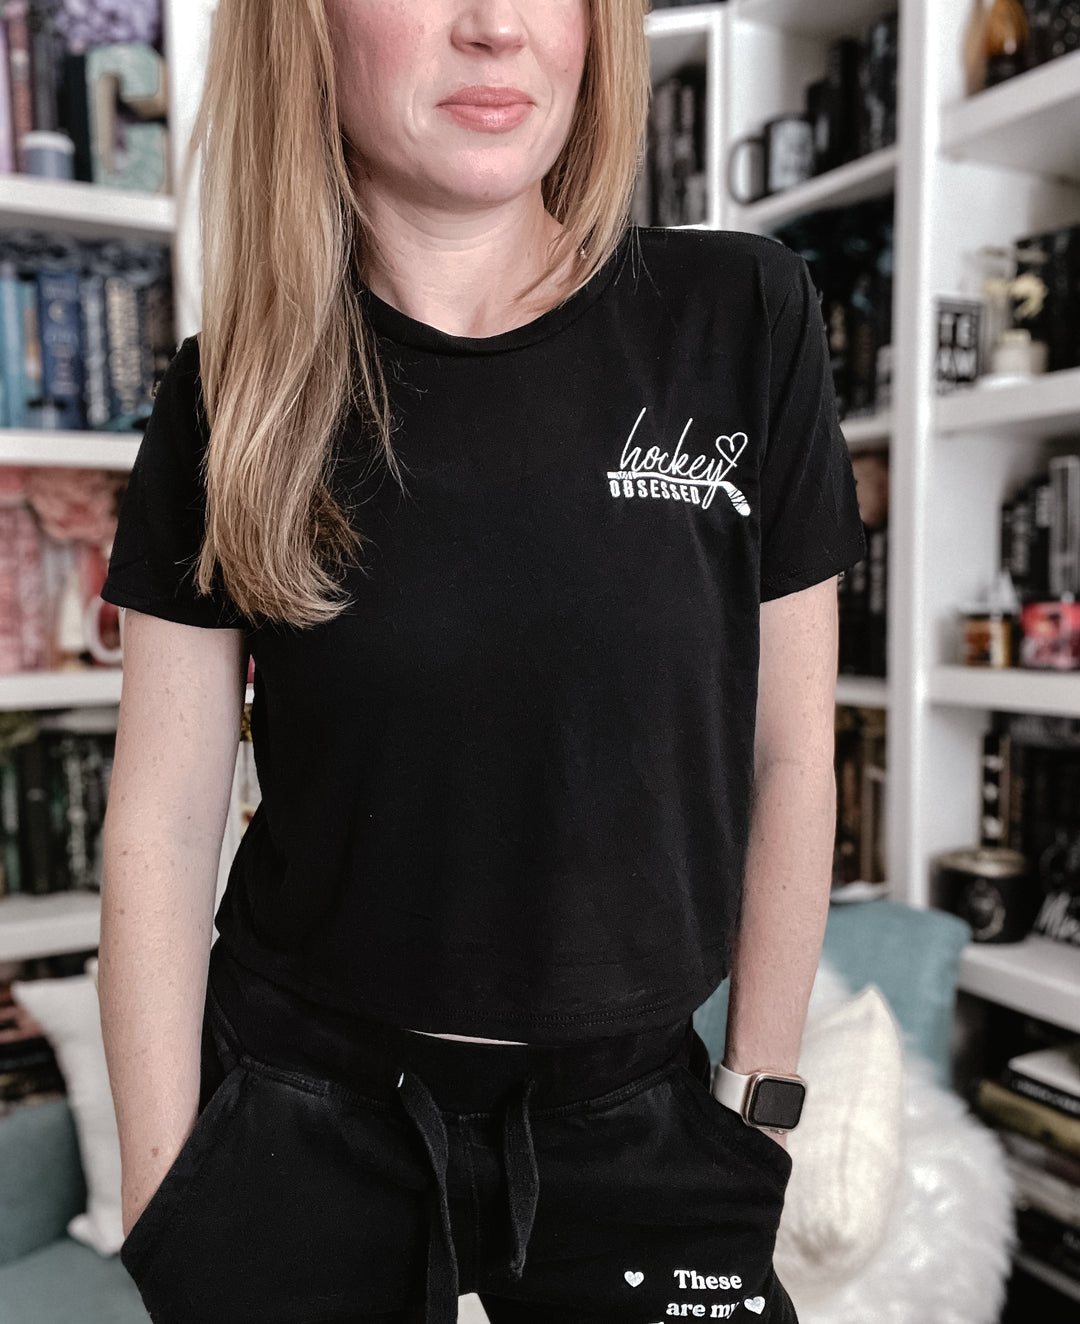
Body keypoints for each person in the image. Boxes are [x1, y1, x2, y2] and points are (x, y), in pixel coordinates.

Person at [96, 2, 867, 1322]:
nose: (498, 26)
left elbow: (791, 752)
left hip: (642, 1128)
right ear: (310, 29)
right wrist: (172, 1191)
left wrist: (759, 1108)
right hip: (299, 1114)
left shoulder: (743, 315)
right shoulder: (230, 394)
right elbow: (161, 825)